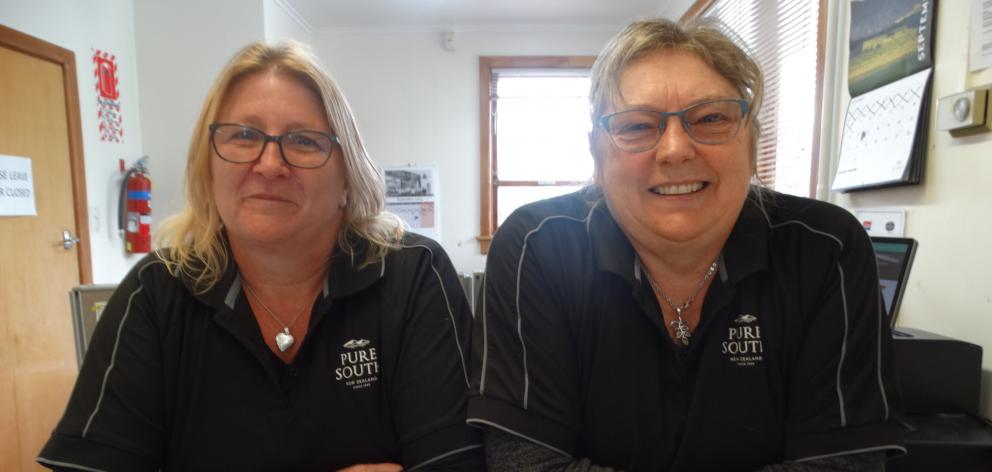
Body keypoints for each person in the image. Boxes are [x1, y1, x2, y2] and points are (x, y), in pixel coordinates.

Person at [469, 18, 905, 471]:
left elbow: (841, 464)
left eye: (712, 117)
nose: (675, 150)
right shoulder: (536, 247)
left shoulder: (825, 249)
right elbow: (526, 463)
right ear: (597, 155)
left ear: (753, 141)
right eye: (638, 126)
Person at [38, 41, 482, 471]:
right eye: (244, 136)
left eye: (304, 141)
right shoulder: (156, 293)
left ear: (348, 176)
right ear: (208, 166)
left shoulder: (412, 275)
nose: (270, 164)